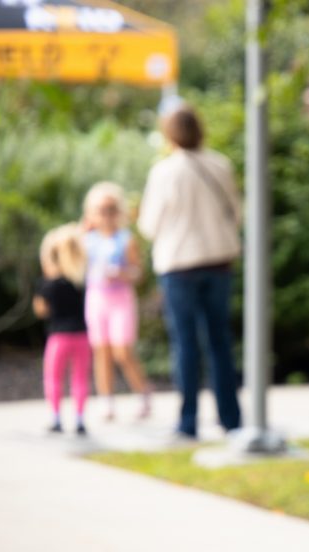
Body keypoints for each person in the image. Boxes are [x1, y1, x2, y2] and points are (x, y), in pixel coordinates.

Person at [137, 104, 243, 440]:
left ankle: (188, 421)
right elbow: (236, 213)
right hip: (218, 261)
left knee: (185, 344)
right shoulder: (220, 165)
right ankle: (231, 419)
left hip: (179, 266)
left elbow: (149, 226)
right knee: (219, 342)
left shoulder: (164, 172)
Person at [82, 182, 153, 421]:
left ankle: (142, 393)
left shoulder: (126, 239)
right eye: (101, 210)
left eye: (111, 209)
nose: (107, 215)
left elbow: (138, 272)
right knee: (101, 350)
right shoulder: (87, 239)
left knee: (122, 350)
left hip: (120, 298)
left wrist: (120, 273)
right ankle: (106, 400)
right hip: (97, 298)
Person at [33, 223, 92, 436]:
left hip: (59, 337)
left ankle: (56, 418)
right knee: (80, 378)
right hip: (82, 336)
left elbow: (41, 310)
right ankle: (79, 418)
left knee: (54, 377)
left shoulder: (48, 284)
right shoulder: (80, 281)